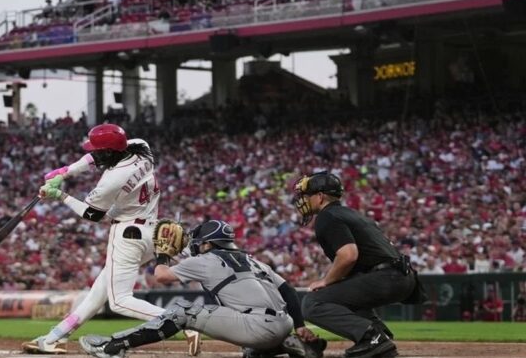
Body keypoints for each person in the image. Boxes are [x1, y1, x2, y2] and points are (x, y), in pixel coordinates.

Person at [22, 124, 201, 356]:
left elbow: (93, 215)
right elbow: (92, 158)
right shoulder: (141, 148)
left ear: (108, 151)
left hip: (127, 236)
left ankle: (181, 321)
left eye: (98, 150)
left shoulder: (112, 179)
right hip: (152, 231)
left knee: (119, 301)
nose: (94, 154)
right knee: (98, 293)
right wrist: (65, 172)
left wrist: (61, 195)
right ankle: (55, 337)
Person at [79, 220, 326, 358]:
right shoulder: (253, 260)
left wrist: (163, 254)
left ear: (208, 244)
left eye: (199, 242)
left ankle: (113, 346)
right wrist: (299, 325)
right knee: (251, 352)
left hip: (257, 327)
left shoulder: (206, 259)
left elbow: (161, 276)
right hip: (283, 323)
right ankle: (285, 344)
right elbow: (289, 291)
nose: (196, 245)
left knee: (184, 311)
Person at [293, 172, 422, 358]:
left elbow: (348, 255)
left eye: (307, 195)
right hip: (403, 276)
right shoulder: (352, 213)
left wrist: (326, 281)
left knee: (313, 302)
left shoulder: (327, 216)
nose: (303, 200)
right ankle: (380, 336)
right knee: (341, 294)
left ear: (320, 196)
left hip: (386, 276)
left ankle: (372, 338)